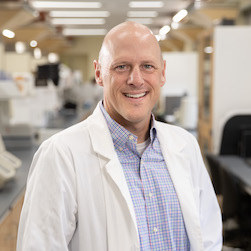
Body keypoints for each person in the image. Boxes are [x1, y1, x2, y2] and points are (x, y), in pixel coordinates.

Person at [17, 21, 222, 251]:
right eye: (122, 67)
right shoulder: (60, 155)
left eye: (147, 66)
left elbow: (208, 237)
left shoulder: (185, 145)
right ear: (98, 73)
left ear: (162, 73)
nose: (136, 79)